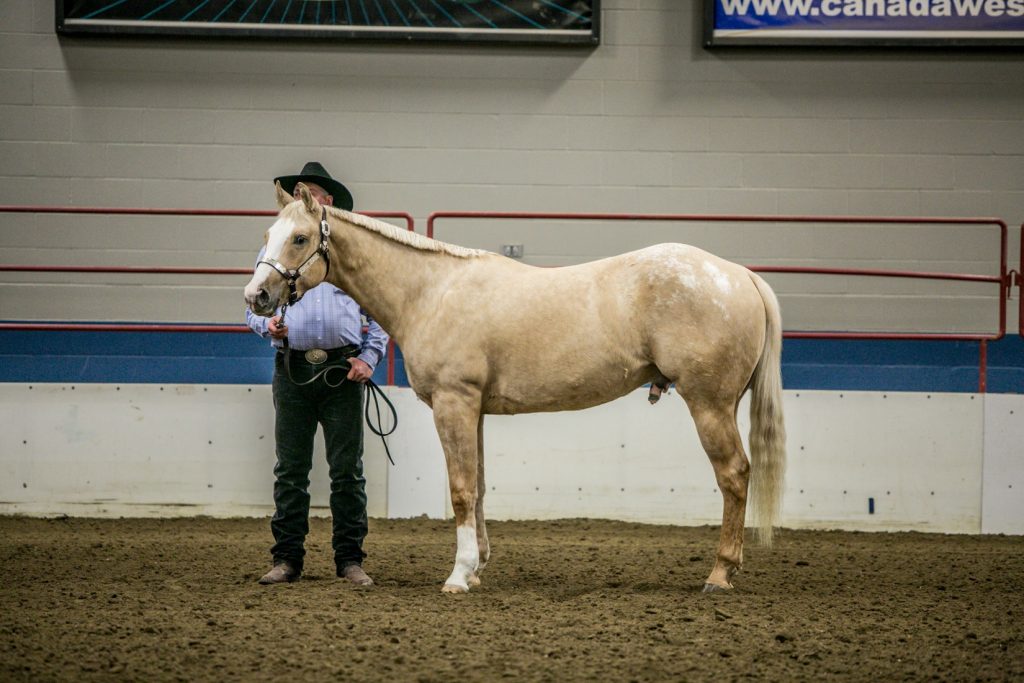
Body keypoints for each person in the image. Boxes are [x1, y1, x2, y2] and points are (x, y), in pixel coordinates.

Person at [246, 161, 388, 587]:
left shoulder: (351, 259)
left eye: (307, 194)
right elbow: (254, 304)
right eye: (296, 194)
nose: (300, 200)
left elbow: (379, 312)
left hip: (342, 371)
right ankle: (287, 559)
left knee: (347, 471)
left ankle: (350, 560)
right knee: (290, 470)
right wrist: (266, 325)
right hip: (291, 367)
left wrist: (369, 358)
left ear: (325, 203)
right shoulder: (277, 245)